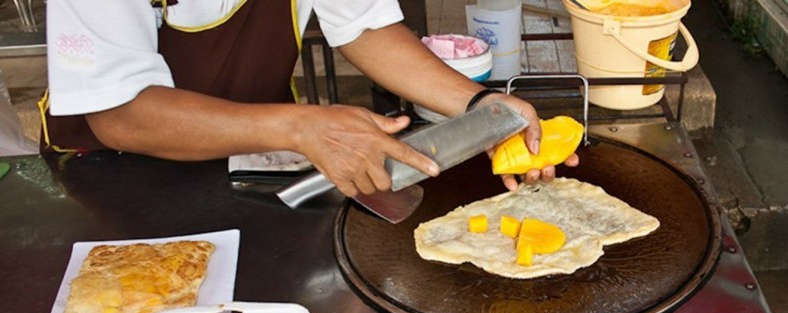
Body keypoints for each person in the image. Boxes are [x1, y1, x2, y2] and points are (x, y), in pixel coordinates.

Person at [41, 0, 578, 198]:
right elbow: (118, 113)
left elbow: (365, 24)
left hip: (248, 161)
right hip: (114, 179)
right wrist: (300, 128)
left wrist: (480, 105)